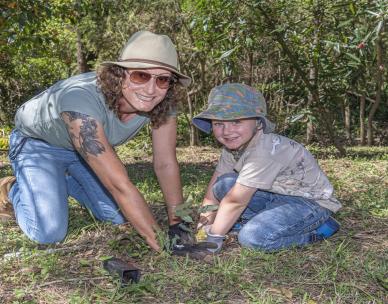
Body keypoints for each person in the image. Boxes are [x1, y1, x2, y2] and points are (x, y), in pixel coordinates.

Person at [0, 30, 192, 251]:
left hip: (82, 153)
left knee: (118, 218)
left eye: (163, 79)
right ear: (120, 74)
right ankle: (13, 187)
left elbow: (166, 163)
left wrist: (179, 224)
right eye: (141, 75)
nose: (151, 89)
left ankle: (59, 181)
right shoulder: (80, 98)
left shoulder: (163, 102)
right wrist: (160, 242)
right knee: (48, 232)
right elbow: (118, 184)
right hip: (38, 145)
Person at [187, 83, 341, 255]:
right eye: (218, 124)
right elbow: (211, 195)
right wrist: (202, 229)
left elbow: (235, 201)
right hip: (275, 195)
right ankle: (243, 222)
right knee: (223, 184)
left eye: (236, 122)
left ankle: (316, 232)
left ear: (258, 124)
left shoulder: (266, 150)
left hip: (308, 203)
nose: (227, 131)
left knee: (252, 238)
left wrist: (213, 239)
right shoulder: (231, 149)